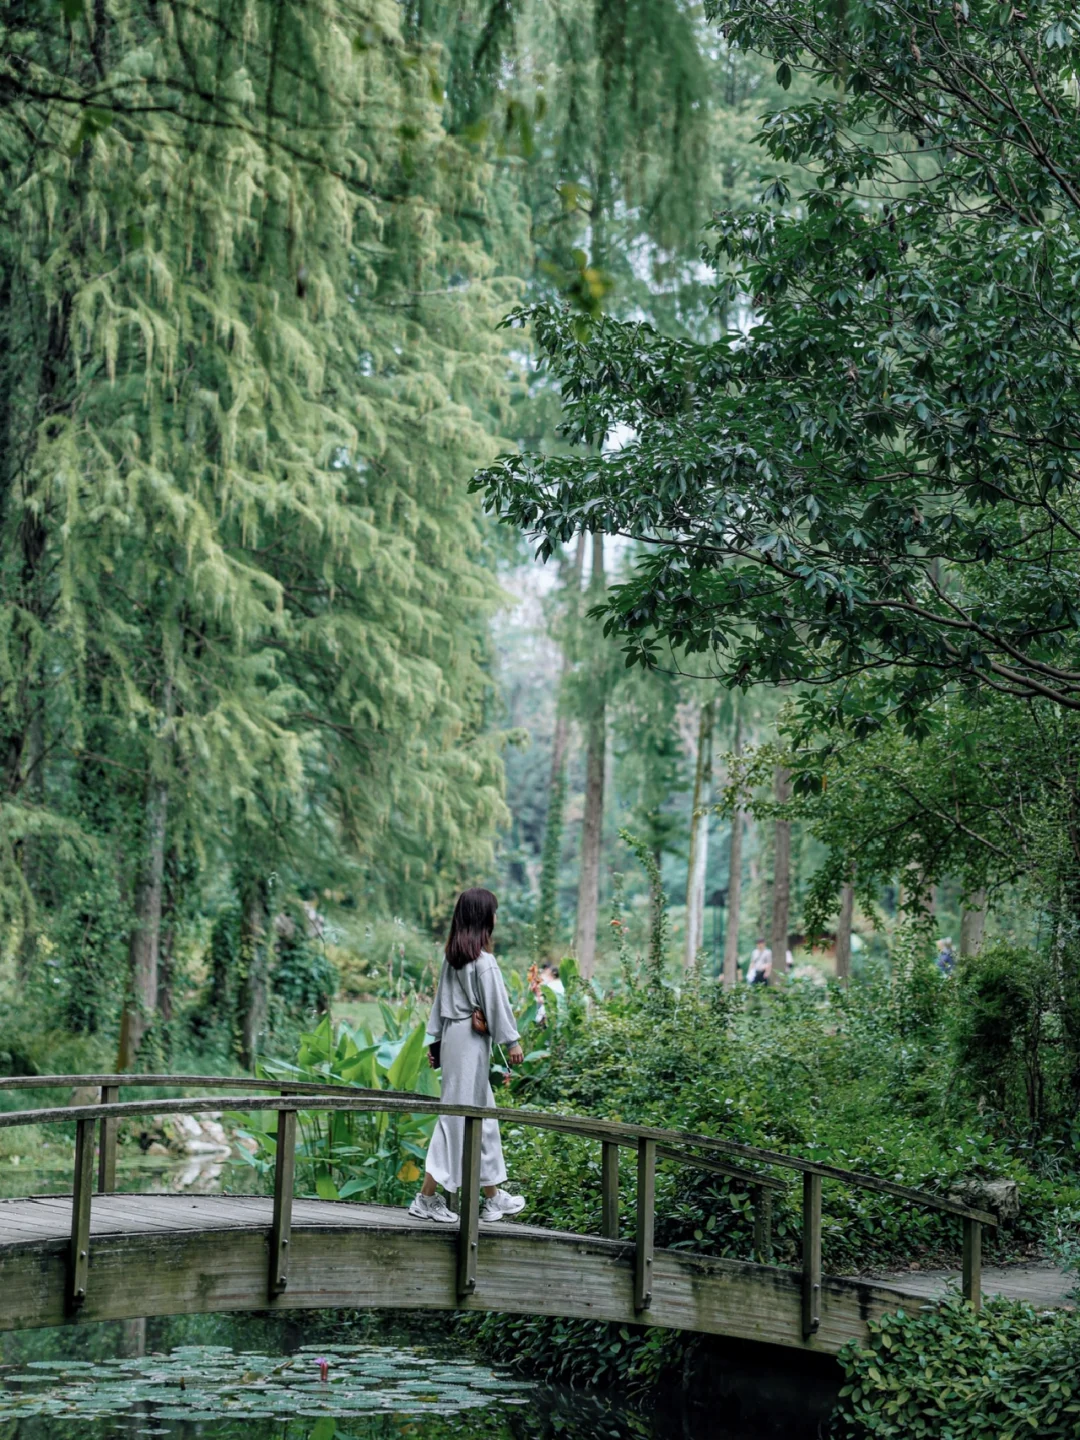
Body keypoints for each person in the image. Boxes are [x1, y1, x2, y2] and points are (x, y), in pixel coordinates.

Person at [409, 888, 526, 1224]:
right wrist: (512, 1042)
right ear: (483, 917)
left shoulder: (453, 958)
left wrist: (439, 1042)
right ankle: (426, 1198)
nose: (497, 917)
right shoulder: (484, 963)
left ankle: (492, 1197)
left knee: (481, 1116)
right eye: (494, 911)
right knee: (458, 1117)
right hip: (470, 1043)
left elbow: (440, 1006)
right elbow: (496, 1005)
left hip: (456, 1038)